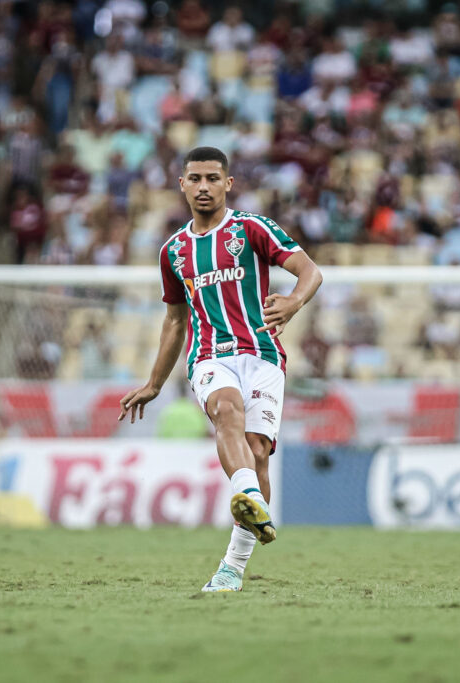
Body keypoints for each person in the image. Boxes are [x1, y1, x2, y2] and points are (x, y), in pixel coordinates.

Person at [118, 147, 322, 593]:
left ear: (228, 183)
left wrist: (293, 301)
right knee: (227, 411)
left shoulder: (250, 228)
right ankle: (247, 496)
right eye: (195, 178)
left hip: (264, 354)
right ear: (182, 185)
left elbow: (309, 270)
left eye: (213, 178)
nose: (204, 186)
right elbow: (175, 320)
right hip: (210, 355)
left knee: (258, 452)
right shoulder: (173, 251)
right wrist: (154, 383)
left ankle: (231, 567)